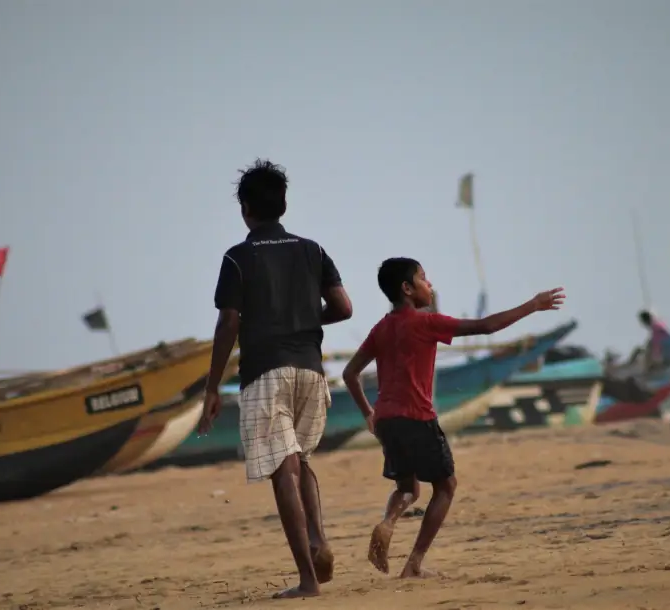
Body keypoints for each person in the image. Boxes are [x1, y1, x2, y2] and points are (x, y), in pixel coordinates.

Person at [341, 258, 565, 578]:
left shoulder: (382, 327)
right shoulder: (425, 322)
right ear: (407, 289)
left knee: (407, 487)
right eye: (423, 279)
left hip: (387, 420)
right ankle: (414, 564)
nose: (430, 285)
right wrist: (533, 304)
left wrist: (369, 415)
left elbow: (350, 374)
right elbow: (485, 326)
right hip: (417, 417)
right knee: (445, 486)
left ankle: (388, 522)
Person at [198, 159, 353, 599]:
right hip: (310, 369)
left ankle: (307, 580)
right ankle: (319, 538)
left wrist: (212, 388)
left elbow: (228, 323)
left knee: (282, 471)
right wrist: (303, 322)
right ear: (283, 204)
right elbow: (343, 308)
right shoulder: (312, 250)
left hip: (265, 373)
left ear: (246, 208)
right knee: (301, 460)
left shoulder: (239, 257)